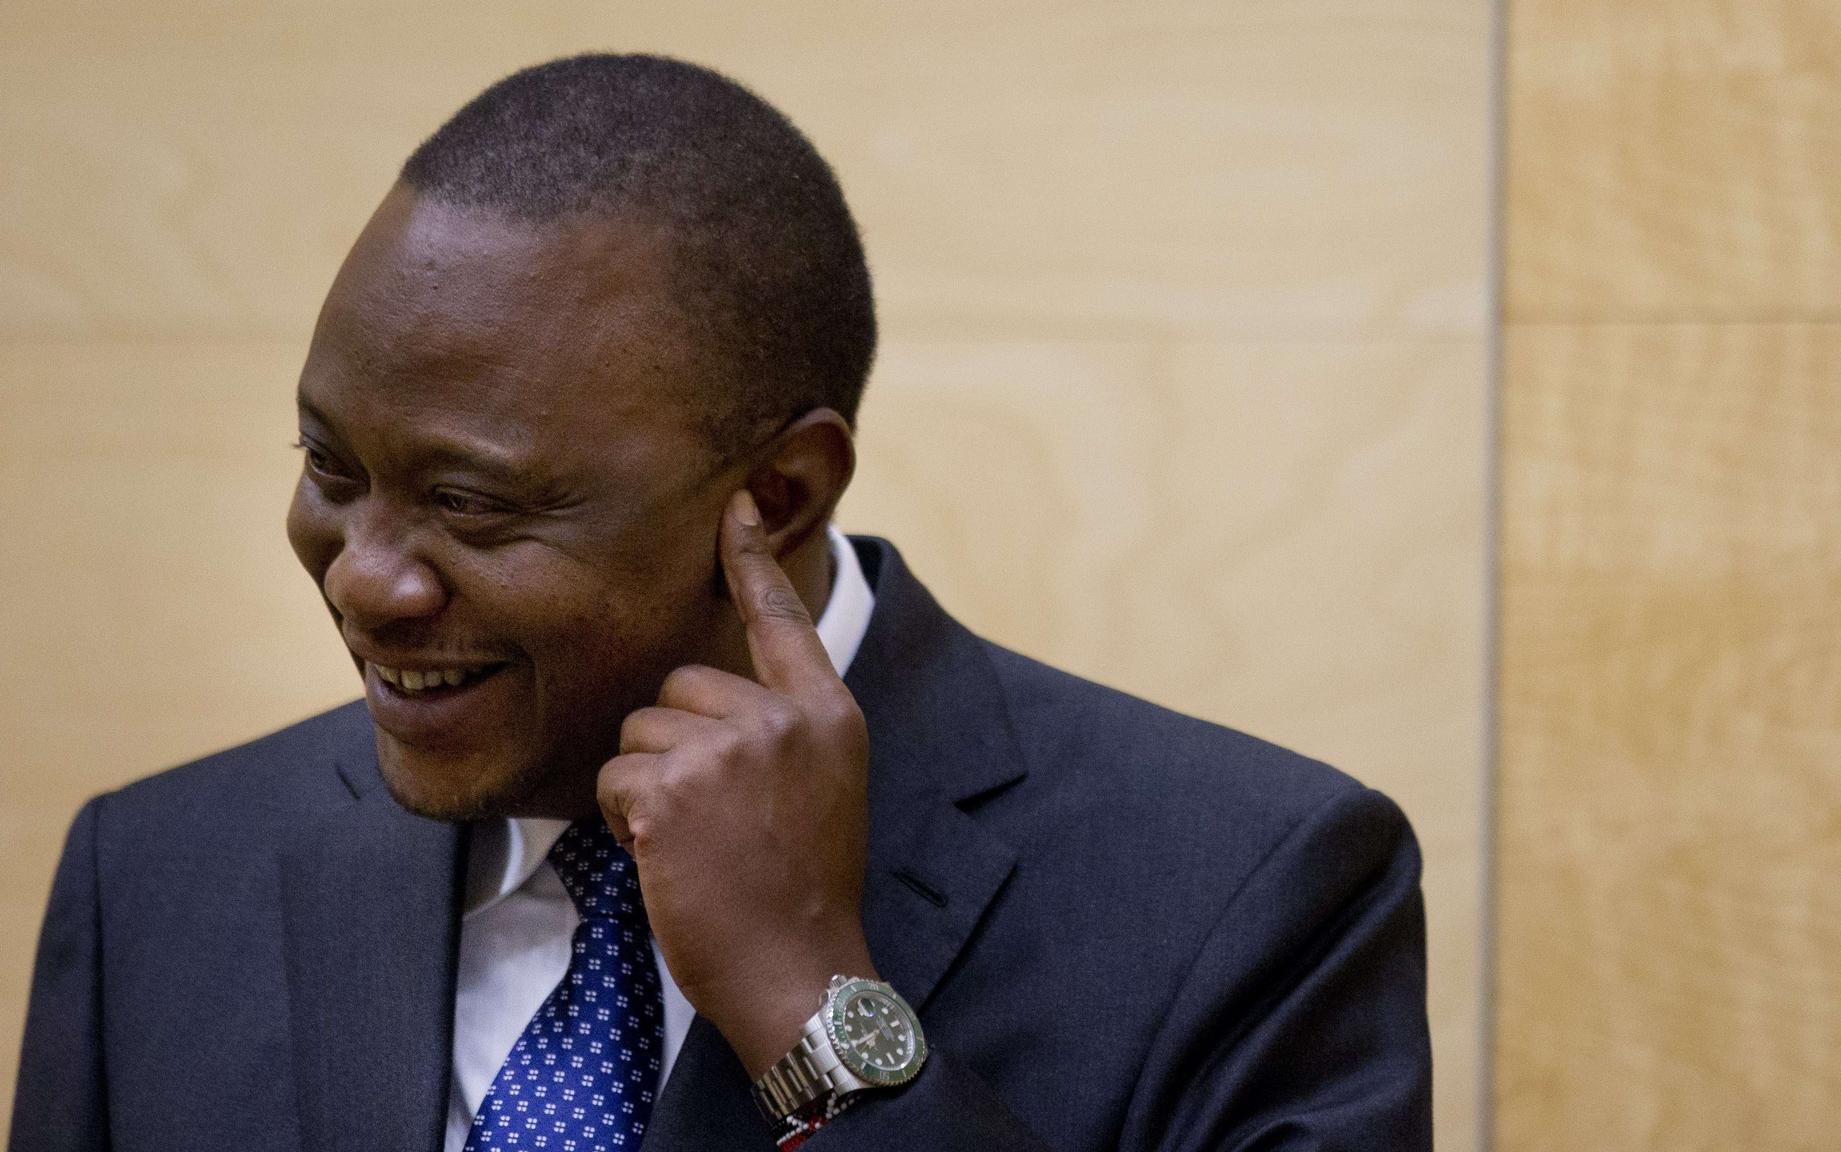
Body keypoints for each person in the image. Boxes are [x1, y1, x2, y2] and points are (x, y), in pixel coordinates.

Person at [9, 53, 1431, 1152]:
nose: (368, 575)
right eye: (333, 464)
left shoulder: (1255, 894)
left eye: (472, 501)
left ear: (782, 496)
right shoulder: (157, 881)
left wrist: (814, 1008)